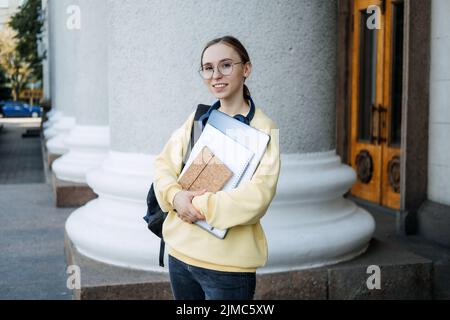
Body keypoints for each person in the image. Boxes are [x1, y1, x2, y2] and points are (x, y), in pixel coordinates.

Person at [153, 35, 281, 300]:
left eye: (226, 65)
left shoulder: (265, 129)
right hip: (179, 256)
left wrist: (196, 207)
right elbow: (163, 166)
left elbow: (259, 196)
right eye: (208, 67)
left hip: (227, 267)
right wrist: (175, 196)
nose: (216, 75)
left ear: (246, 69)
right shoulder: (199, 118)